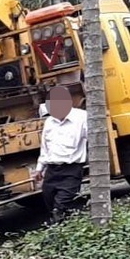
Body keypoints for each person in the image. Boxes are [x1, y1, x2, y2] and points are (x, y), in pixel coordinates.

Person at [32, 86, 88, 224]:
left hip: (72, 168)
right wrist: (40, 168)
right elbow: (45, 148)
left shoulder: (81, 118)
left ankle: (62, 225)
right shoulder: (49, 122)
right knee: (49, 198)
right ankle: (65, 225)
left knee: (62, 202)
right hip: (52, 170)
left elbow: (93, 138)